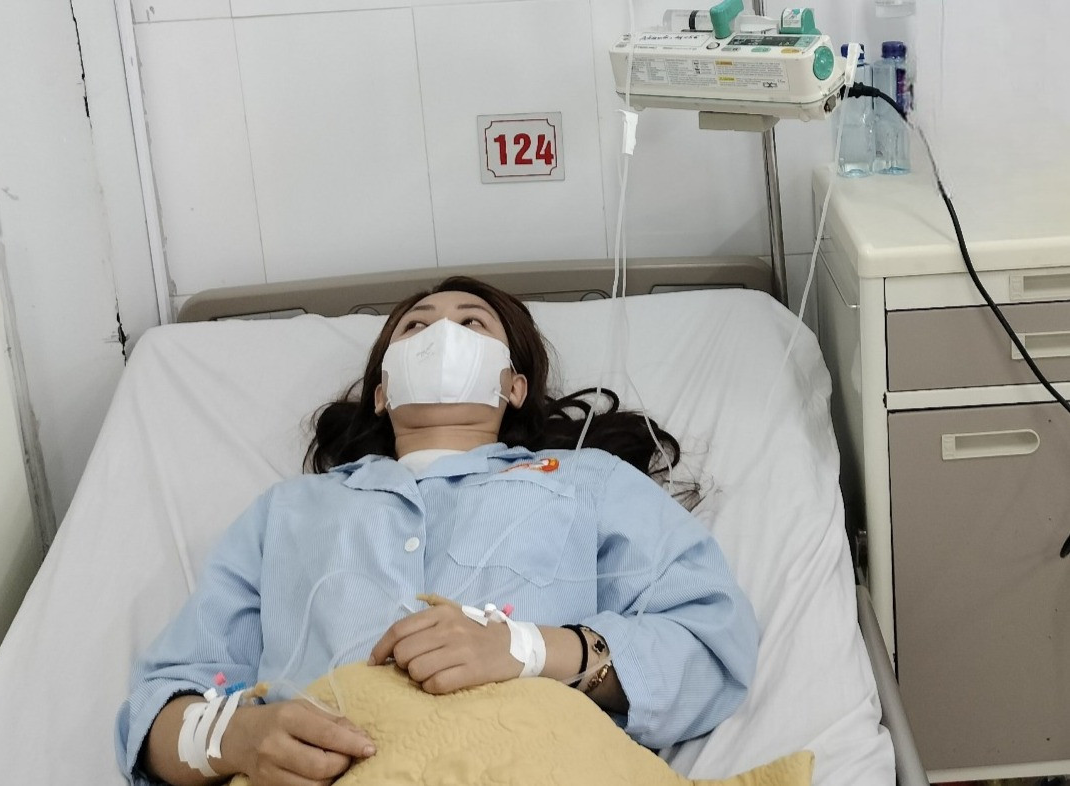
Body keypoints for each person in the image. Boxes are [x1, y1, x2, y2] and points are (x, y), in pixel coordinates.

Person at [116, 276, 759, 786]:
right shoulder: (290, 511)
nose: (442, 333)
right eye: (416, 327)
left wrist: (528, 650)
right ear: (381, 392)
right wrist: (237, 739)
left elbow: (710, 646)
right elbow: (156, 710)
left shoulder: (589, 482)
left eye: (472, 323)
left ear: (514, 386)